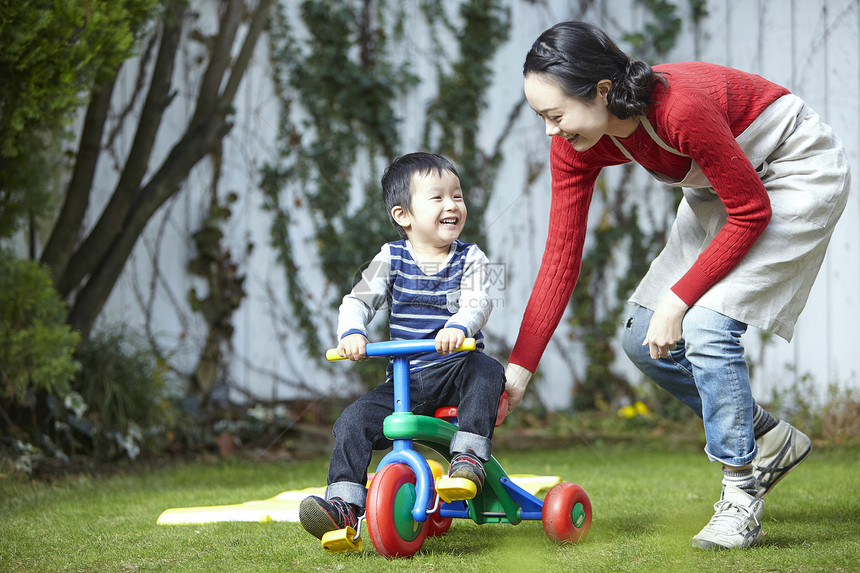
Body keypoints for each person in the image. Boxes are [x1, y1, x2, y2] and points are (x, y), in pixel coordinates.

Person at [506, 21, 850, 550]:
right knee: (641, 335)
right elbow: (559, 259)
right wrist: (519, 372)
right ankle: (767, 438)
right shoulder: (577, 145)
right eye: (541, 118)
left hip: (793, 168)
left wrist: (680, 298)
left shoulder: (678, 107)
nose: (551, 131)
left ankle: (741, 496)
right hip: (725, 187)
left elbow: (752, 211)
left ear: (601, 91)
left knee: (708, 327)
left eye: (556, 115)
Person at [299, 152, 506, 541]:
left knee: (489, 368)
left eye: (457, 196)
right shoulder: (389, 258)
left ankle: (468, 460)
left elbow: (481, 299)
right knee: (352, 421)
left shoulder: (472, 257)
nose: (452, 205)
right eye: (438, 197)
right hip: (405, 381)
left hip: (456, 369)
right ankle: (344, 506)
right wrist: (352, 333)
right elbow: (356, 301)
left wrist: (458, 325)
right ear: (403, 216)